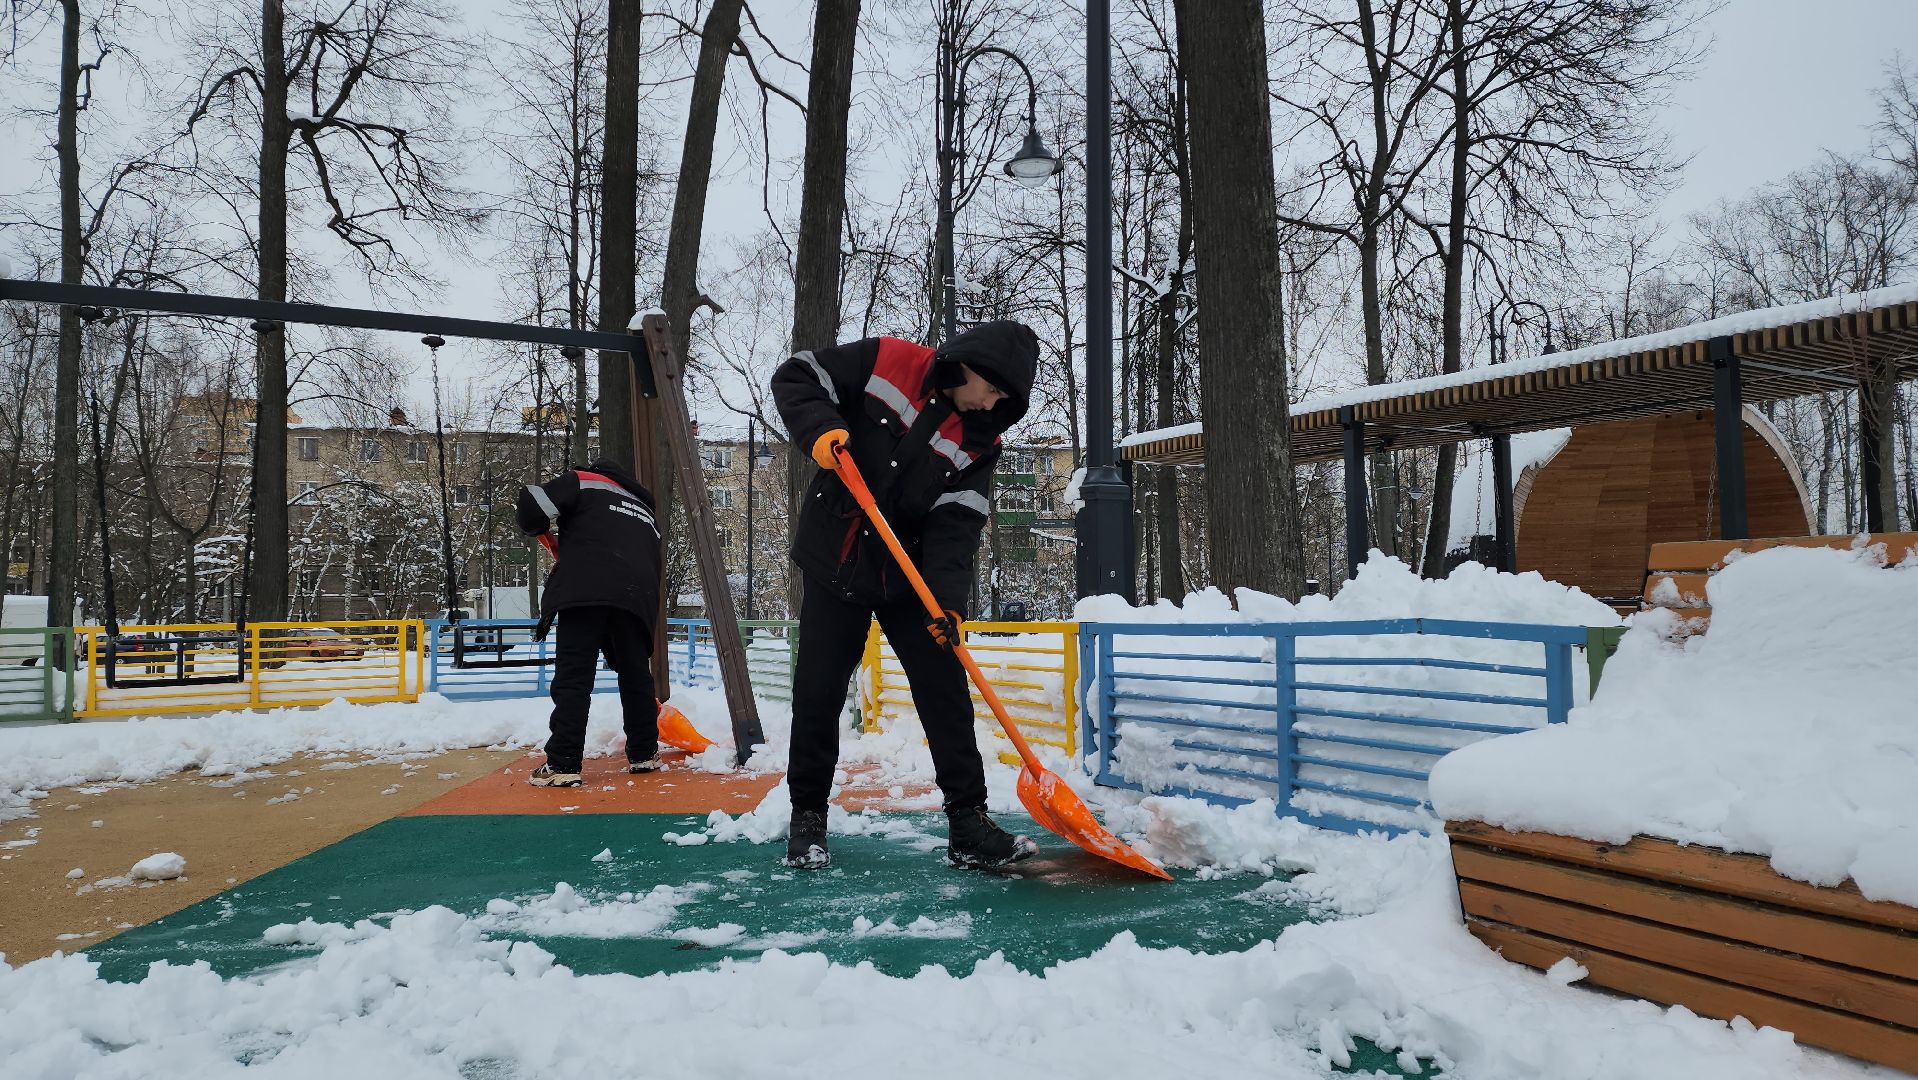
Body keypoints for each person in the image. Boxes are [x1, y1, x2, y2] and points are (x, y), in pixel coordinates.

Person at [771, 320, 1041, 871]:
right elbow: (797, 376)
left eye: (1001, 400)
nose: (990, 404)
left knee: (945, 689)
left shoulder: (979, 440)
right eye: (989, 390)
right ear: (968, 366)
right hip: (837, 560)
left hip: (907, 574)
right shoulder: (887, 362)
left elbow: (957, 524)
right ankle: (808, 820)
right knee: (819, 693)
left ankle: (968, 823)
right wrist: (821, 429)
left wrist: (946, 602)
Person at [515, 459, 664, 787]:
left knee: (574, 674)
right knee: (635, 673)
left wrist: (541, 528)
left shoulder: (585, 481)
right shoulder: (644, 509)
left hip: (586, 585)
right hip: (637, 594)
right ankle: (644, 753)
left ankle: (564, 761)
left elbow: (532, 502)